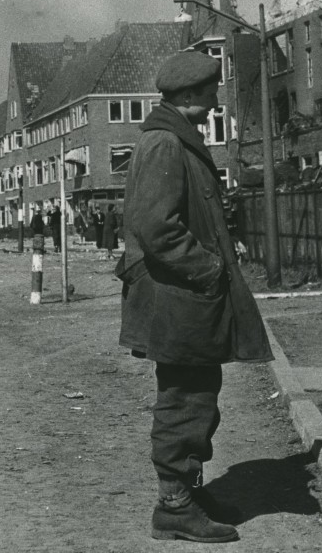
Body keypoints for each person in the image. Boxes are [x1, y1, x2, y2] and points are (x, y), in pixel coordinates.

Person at [115, 51, 272, 543]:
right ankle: (174, 506)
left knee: (199, 390)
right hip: (178, 295)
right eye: (208, 96)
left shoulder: (176, 138)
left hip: (183, 295)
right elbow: (157, 227)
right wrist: (207, 268)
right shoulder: (165, 144)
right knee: (186, 397)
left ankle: (187, 490)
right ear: (186, 97)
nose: (213, 103)